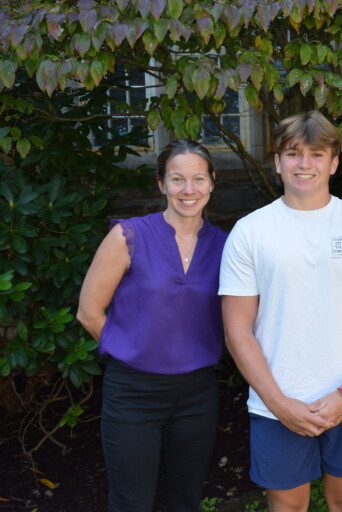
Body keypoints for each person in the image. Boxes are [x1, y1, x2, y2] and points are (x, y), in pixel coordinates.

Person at [219, 111, 342, 512]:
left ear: (334, 162)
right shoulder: (250, 232)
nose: (305, 164)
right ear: (278, 161)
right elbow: (237, 330)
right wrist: (280, 404)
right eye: (293, 153)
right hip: (276, 400)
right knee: (287, 506)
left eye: (317, 154)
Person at [77, 139, 228, 512]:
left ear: (212, 182)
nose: (188, 190)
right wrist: (133, 350)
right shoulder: (128, 237)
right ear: (161, 184)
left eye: (197, 179)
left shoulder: (229, 246)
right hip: (133, 394)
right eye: (177, 179)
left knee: (186, 499)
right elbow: (89, 312)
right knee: (132, 502)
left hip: (197, 394)